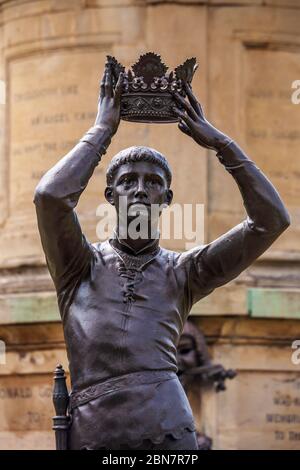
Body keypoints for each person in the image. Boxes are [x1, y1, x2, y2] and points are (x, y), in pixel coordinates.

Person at [34, 61, 290, 450]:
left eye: (153, 183)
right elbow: (50, 198)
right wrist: (102, 131)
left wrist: (222, 145)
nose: (140, 189)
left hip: (168, 432)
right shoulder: (78, 265)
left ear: (166, 200)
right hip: (94, 432)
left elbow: (270, 221)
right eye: (127, 181)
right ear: (110, 196)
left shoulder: (184, 272)